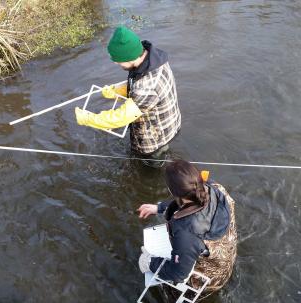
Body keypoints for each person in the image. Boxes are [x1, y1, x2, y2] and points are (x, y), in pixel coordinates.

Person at [75, 26, 181, 167]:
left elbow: (120, 118)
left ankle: (154, 170)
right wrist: (116, 91)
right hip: (167, 123)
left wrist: (89, 119)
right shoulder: (153, 60)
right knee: (160, 151)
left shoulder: (146, 86)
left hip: (155, 137)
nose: (115, 63)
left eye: (118, 61)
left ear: (130, 57)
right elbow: (138, 85)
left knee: (152, 162)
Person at [137, 160, 237, 295]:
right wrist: (160, 208)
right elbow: (190, 200)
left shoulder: (186, 231)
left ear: (171, 191)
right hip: (225, 259)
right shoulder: (215, 188)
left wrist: (149, 262)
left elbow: (179, 274)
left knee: (168, 283)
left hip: (209, 281)